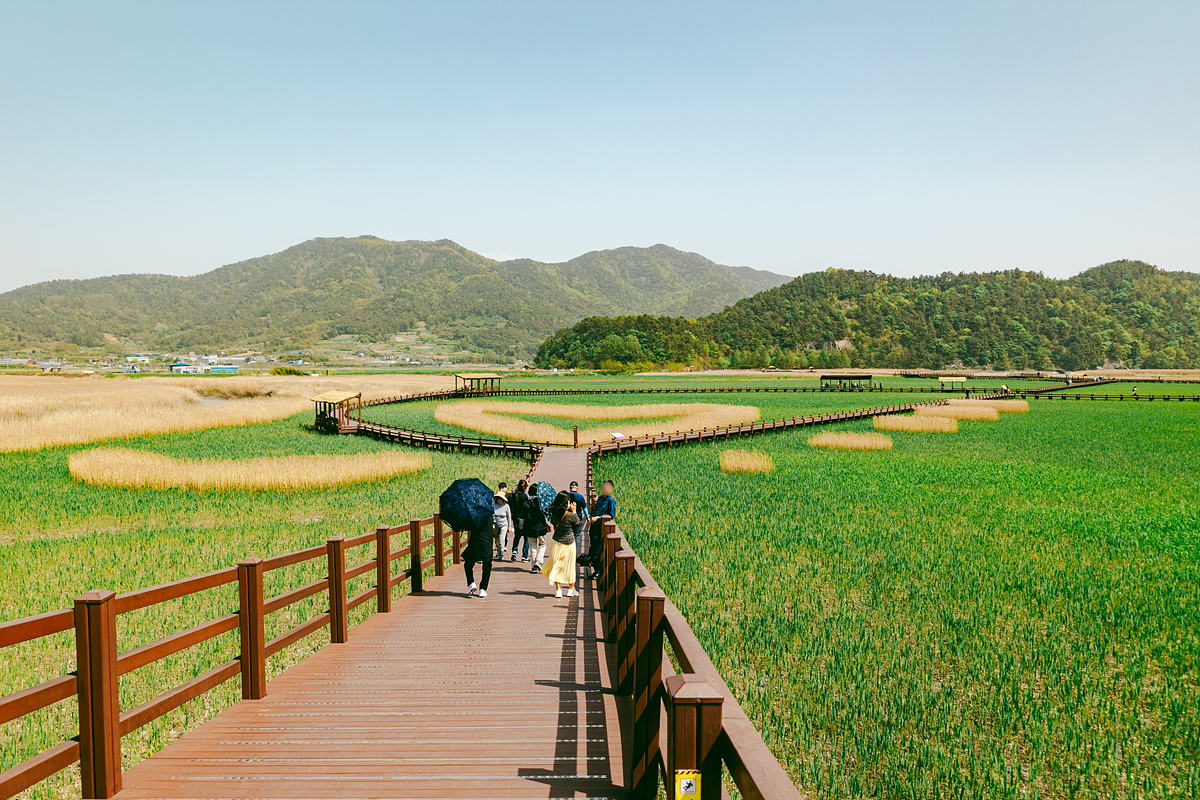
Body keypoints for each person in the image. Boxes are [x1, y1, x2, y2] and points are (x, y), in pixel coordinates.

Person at [464, 494, 503, 599]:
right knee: (487, 566)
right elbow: (494, 526)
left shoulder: (472, 514)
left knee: (468, 565)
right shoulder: (490, 514)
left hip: (475, 542)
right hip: (487, 542)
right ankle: (483, 589)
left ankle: (471, 583)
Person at [543, 491, 580, 598]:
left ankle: (558, 590)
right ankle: (570, 589)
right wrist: (574, 511)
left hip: (556, 542)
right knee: (570, 567)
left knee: (556, 565)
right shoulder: (570, 515)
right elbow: (578, 523)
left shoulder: (553, 513)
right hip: (569, 543)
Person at [585, 480, 617, 579]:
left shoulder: (611, 501)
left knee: (597, 550)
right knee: (593, 548)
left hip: (601, 529)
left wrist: (598, 518)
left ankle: (598, 571)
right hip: (594, 527)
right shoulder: (599, 498)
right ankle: (595, 569)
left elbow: (611, 516)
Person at [525, 481, 549, 572]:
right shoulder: (542, 503)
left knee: (533, 547)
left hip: (529, 528)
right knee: (543, 544)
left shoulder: (526, 503)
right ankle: (539, 561)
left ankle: (534, 567)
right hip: (541, 527)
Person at [492, 491, 514, 570]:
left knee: (502, 540)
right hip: (496, 525)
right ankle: (498, 550)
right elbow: (492, 515)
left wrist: (509, 527)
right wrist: (492, 523)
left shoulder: (506, 506)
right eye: (498, 499)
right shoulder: (494, 506)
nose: (499, 500)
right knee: (496, 540)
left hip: (504, 525)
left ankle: (501, 553)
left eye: (500, 499)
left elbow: (509, 517)